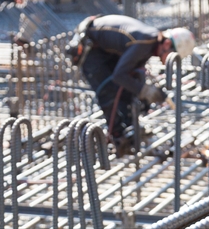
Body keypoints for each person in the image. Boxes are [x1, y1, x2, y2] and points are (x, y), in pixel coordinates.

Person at [69, 14, 194, 152]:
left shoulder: (150, 42)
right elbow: (119, 75)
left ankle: (129, 128)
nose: (169, 62)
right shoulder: (144, 43)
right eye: (171, 56)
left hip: (104, 48)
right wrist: (145, 91)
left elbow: (132, 73)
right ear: (167, 44)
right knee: (108, 90)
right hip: (91, 49)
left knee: (128, 85)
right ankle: (117, 135)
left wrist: (141, 91)